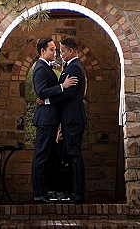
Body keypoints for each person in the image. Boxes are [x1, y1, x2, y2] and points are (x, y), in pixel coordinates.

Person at [31, 37, 77, 203]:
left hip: (50, 119)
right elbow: (41, 92)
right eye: (51, 49)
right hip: (45, 119)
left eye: (56, 50)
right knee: (41, 156)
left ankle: (43, 192)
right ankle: (38, 194)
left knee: (46, 156)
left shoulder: (46, 68)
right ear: (42, 51)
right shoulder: (41, 68)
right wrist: (62, 87)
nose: (55, 52)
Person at [57, 37, 87, 204]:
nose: (60, 54)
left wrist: (48, 99)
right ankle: (74, 191)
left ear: (71, 51)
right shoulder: (69, 67)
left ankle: (78, 193)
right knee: (71, 155)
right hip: (69, 119)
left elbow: (68, 94)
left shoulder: (75, 68)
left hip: (73, 118)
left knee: (74, 155)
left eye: (62, 51)